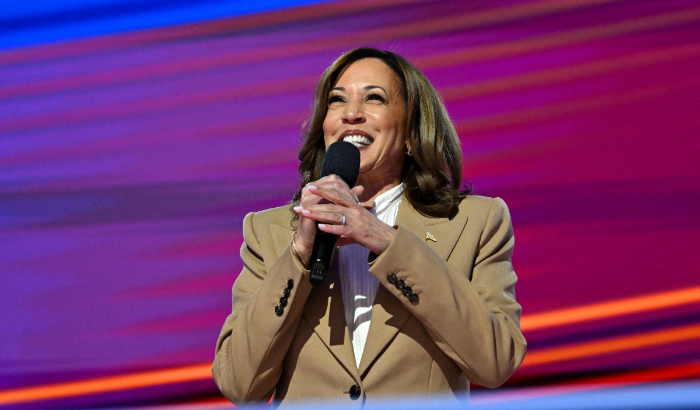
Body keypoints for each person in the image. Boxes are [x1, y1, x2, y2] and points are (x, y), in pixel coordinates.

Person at [212, 48, 526, 406]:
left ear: (411, 130)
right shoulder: (268, 231)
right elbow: (238, 384)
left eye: (374, 98)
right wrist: (298, 254)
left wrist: (390, 244)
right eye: (336, 101)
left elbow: (496, 362)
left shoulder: (475, 222)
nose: (351, 114)